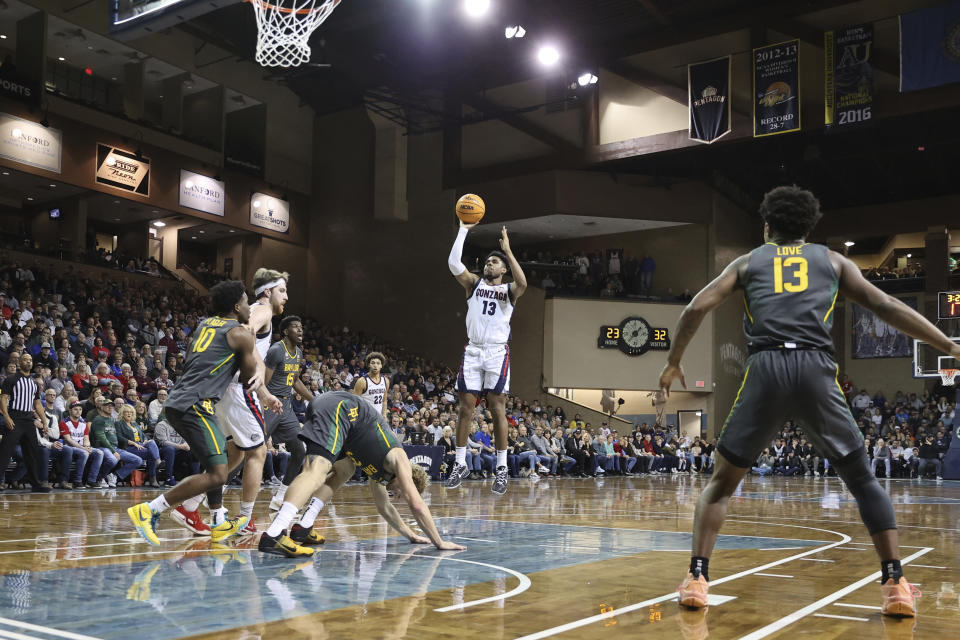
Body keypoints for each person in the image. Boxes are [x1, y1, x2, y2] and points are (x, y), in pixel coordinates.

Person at [659, 185, 960, 617]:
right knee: (863, 480)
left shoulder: (748, 263)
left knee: (720, 485)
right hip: (816, 369)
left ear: (768, 226)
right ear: (808, 227)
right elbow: (886, 304)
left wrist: (673, 363)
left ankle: (697, 578)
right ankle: (894, 583)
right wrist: (946, 344)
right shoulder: (832, 260)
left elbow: (694, 309)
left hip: (765, 368)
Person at [127, 280, 280, 546]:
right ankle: (150, 510)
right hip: (197, 404)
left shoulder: (204, 324)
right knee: (220, 473)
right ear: (236, 306)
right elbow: (246, 377)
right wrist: (258, 376)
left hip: (179, 399)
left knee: (219, 462)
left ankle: (219, 519)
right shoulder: (241, 334)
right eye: (245, 302)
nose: (249, 307)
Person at [260, 390, 465, 556]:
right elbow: (417, 504)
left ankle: (303, 526)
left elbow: (384, 507)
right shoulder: (399, 457)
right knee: (316, 470)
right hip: (341, 409)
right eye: (403, 491)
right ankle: (275, 532)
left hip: (342, 424)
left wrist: (411, 535)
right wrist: (439, 541)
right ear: (408, 480)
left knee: (346, 469)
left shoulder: (382, 476)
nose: (400, 497)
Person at [445, 222, 527, 495]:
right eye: (488, 261)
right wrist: (463, 229)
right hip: (473, 350)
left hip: (496, 351)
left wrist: (508, 251)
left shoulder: (509, 291)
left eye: (494, 262)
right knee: (465, 409)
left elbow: (523, 283)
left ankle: (501, 468)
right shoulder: (473, 284)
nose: (489, 264)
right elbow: (453, 262)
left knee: (496, 408)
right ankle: (459, 462)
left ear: (503, 269)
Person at [211, 269, 286, 535]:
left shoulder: (255, 309)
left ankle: (192, 504)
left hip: (225, 388)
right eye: (282, 291)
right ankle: (244, 519)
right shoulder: (262, 309)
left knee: (236, 453)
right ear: (268, 292)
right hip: (240, 387)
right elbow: (245, 331)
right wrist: (262, 383)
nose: (286, 297)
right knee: (258, 452)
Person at [264, 316, 314, 513]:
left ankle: (280, 497)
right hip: (269, 403)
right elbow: (264, 382)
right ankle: (218, 490)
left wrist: (313, 399)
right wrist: (263, 404)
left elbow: (294, 380)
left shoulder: (299, 352)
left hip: (285, 406)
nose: (300, 330)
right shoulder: (277, 350)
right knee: (251, 451)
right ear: (285, 331)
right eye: (295, 327)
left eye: (302, 327)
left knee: (299, 451)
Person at [0, 353, 52, 492]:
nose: (28, 362)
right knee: (5, 451)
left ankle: (35, 484)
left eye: (30, 360)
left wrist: (45, 422)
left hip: (29, 420)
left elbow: (38, 404)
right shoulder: (11, 379)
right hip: (14, 417)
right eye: (25, 360)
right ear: (20, 362)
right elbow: (4, 398)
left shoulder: (34, 383)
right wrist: (6, 416)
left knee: (32, 453)